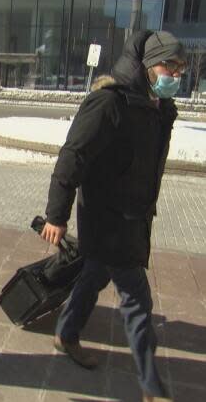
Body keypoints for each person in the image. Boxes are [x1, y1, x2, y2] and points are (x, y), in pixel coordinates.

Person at [41, 30, 186, 402]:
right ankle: (152, 386)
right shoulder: (108, 103)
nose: (176, 73)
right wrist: (56, 215)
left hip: (134, 217)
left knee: (93, 275)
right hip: (106, 219)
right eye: (169, 65)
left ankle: (66, 333)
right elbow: (72, 156)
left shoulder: (158, 108)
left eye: (181, 67)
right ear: (147, 65)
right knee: (138, 301)